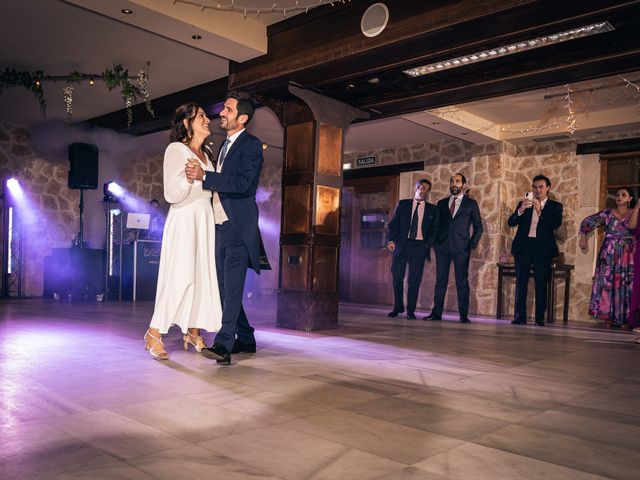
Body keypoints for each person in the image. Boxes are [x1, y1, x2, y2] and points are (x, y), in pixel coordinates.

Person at [185, 92, 264, 365]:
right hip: (219, 228)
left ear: (242, 118)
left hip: (239, 228)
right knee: (222, 288)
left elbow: (242, 184)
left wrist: (206, 176)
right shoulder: (222, 145)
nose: (222, 112)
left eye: (228, 110)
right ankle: (247, 337)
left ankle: (224, 345)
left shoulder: (252, 145)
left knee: (231, 288)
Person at [144, 103, 222, 360]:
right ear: (187, 123)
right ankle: (154, 332)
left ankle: (194, 331)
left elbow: (212, 190)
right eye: (201, 116)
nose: (207, 119)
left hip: (204, 218)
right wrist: (188, 179)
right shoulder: (176, 149)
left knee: (201, 276)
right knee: (180, 276)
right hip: (185, 217)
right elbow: (171, 193)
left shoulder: (208, 155)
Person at [425, 173, 482, 323]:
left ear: (463, 185)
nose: (454, 184)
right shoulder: (442, 203)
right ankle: (436, 313)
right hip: (442, 248)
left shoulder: (471, 204)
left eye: (457, 181)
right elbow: (435, 225)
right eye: (452, 181)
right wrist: (434, 243)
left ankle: (463, 316)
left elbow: (478, 227)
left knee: (461, 281)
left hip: (461, 248)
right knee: (440, 281)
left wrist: (471, 244)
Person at [508, 174, 563, 326]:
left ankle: (539, 318)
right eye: (535, 187)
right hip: (523, 248)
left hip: (542, 250)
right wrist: (520, 210)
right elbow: (511, 222)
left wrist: (540, 211)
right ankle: (520, 317)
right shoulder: (524, 204)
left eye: (541, 187)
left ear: (548, 188)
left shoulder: (555, 206)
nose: (537, 190)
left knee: (541, 284)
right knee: (521, 283)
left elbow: (554, 224)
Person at [579, 187, 635, 328]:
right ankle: (607, 316)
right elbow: (587, 222)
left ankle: (625, 318)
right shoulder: (608, 213)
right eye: (617, 195)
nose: (619, 197)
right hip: (609, 253)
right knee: (607, 283)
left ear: (630, 199)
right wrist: (583, 237)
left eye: (623, 195)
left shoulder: (634, 214)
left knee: (626, 284)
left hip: (627, 254)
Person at [387, 179, 436, 320]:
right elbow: (393, 225)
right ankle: (398, 307)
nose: (424, 191)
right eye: (421, 187)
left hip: (419, 247)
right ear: (416, 188)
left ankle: (411, 311)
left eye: (427, 189)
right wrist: (391, 240)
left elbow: (434, 230)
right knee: (397, 277)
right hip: (402, 246)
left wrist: (427, 245)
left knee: (414, 280)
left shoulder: (432, 209)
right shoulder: (403, 204)